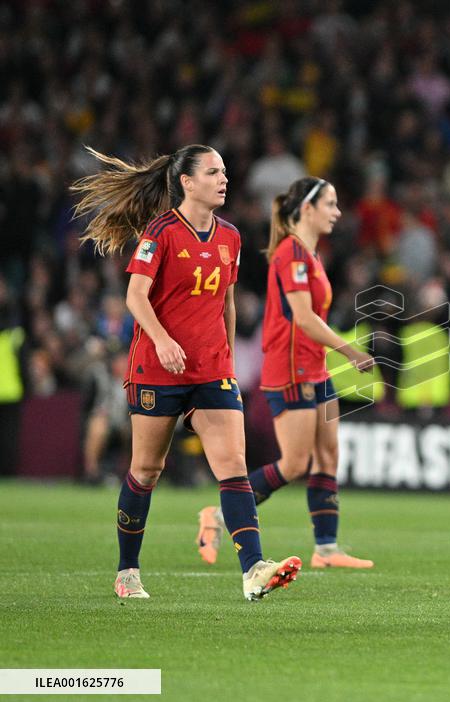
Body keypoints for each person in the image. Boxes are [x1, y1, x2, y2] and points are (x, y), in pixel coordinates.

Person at [71, 145, 301, 601]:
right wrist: (161, 339)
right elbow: (137, 296)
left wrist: (228, 361)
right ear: (187, 182)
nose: (224, 179)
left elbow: (228, 303)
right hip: (158, 369)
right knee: (146, 469)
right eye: (213, 172)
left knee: (233, 467)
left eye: (225, 170)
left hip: (211, 370)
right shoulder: (161, 232)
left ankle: (253, 569)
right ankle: (127, 570)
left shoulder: (230, 236)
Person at [196, 176, 375, 569]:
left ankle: (326, 549)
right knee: (294, 464)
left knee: (328, 454)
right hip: (290, 369)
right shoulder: (290, 254)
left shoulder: (310, 255)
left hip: (315, 368)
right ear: (307, 209)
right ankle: (219, 517)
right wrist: (349, 351)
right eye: (330, 204)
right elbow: (304, 318)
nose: (337, 212)